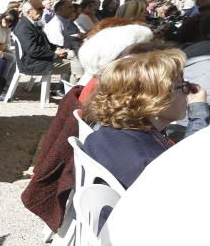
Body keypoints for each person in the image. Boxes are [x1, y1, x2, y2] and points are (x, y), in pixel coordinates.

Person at [83, 45, 199, 189]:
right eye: (182, 85)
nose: (190, 91)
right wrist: (199, 113)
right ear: (153, 99)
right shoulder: (151, 162)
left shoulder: (102, 135)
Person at [14, 0, 71, 76]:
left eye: (43, 8)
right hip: (32, 64)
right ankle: (73, 87)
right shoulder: (24, 27)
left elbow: (45, 43)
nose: (42, 11)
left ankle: (67, 86)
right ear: (28, 12)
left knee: (72, 55)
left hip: (36, 60)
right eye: (39, 9)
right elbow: (33, 50)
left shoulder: (32, 24)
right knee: (72, 63)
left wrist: (56, 48)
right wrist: (54, 55)